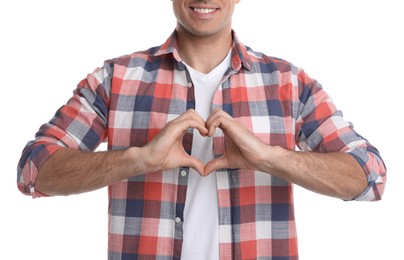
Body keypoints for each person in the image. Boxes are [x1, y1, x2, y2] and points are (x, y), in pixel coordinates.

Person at [17, 0, 386, 259]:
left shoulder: (288, 83)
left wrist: (272, 158)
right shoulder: (116, 80)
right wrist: (138, 159)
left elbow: (369, 175)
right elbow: (35, 169)